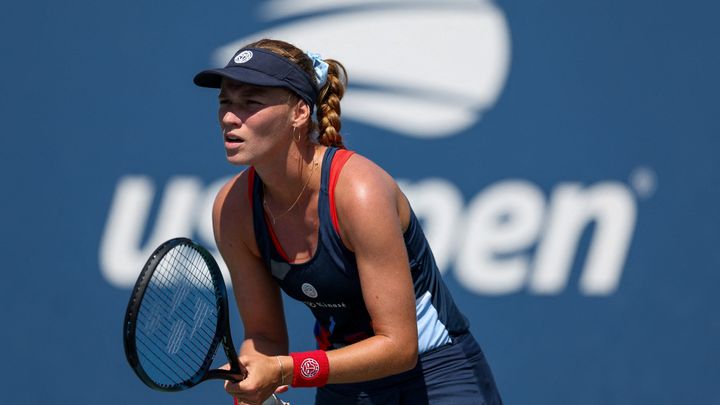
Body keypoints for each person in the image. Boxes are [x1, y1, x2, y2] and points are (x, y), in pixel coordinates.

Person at [193, 38, 502, 405]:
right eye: (225, 102)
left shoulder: (359, 193)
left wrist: (284, 369)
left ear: (299, 113)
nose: (229, 116)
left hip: (437, 373)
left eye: (251, 103)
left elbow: (399, 346)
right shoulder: (232, 209)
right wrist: (253, 375)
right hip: (344, 380)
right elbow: (264, 336)